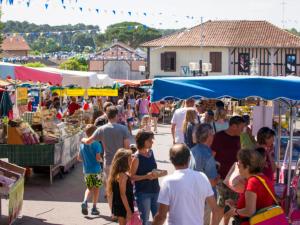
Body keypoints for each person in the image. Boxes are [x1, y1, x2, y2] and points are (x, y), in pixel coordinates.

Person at [152, 144, 221, 225]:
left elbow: (161, 216)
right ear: (189, 159)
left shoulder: (168, 182)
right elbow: (215, 210)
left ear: (171, 160)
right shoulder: (202, 177)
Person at [81, 106, 130, 217]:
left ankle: (113, 213)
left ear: (106, 116)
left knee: (110, 189)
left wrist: (82, 139)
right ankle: (123, 212)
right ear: (116, 115)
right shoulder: (123, 129)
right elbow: (127, 148)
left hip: (108, 163)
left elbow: (88, 141)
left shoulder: (101, 129)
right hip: (121, 163)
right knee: (122, 188)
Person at [225, 149, 277, 225]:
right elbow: (258, 204)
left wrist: (234, 211)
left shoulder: (252, 182)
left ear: (248, 166)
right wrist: (236, 203)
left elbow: (250, 211)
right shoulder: (262, 178)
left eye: (239, 164)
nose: (238, 166)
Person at [211, 116, 245, 225]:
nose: (242, 130)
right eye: (241, 127)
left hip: (234, 178)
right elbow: (211, 157)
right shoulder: (218, 137)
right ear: (234, 126)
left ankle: (226, 223)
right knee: (221, 205)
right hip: (221, 177)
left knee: (231, 205)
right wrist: (214, 175)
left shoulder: (238, 138)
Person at [190, 123, 219, 225]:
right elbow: (212, 182)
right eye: (212, 134)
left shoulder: (192, 150)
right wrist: (219, 176)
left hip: (192, 194)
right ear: (209, 135)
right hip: (204, 198)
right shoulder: (207, 154)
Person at [130, 130, 160, 225]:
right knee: (145, 220)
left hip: (155, 190)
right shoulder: (136, 158)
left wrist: (158, 173)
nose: (152, 142)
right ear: (143, 141)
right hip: (143, 193)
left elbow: (153, 169)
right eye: (150, 140)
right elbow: (132, 177)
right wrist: (146, 176)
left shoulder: (151, 153)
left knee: (158, 218)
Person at [77, 125, 103, 216]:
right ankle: (94, 208)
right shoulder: (97, 144)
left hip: (87, 170)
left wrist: (87, 158)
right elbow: (97, 158)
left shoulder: (82, 144)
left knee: (89, 188)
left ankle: (84, 202)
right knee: (96, 189)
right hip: (96, 169)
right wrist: (101, 160)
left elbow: (79, 158)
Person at [108, 148, 134, 225]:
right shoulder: (122, 175)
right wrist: (128, 210)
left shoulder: (120, 174)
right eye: (130, 159)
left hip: (122, 204)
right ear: (124, 162)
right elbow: (123, 194)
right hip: (123, 206)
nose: (131, 161)